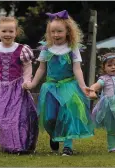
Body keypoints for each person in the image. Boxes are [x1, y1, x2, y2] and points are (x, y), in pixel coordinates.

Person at [23, 10, 94, 156]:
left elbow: (77, 69)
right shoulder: (46, 48)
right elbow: (41, 68)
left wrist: (83, 86)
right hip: (50, 87)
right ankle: (54, 134)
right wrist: (32, 83)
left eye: (59, 31)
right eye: (53, 32)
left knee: (68, 115)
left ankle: (68, 146)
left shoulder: (72, 48)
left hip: (68, 86)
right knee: (50, 117)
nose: (56, 35)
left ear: (67, 31)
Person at [0, 16, 39, 154]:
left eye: (10, 31)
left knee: (15, 117)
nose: (7, 34)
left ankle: (18, 145)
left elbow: (27, 67)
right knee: (2, 117)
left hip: (16, 87)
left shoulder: (21, 49)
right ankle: (7, 143)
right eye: (4, 31)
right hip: (0, 87)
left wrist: (27, 81)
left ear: (16, 33)